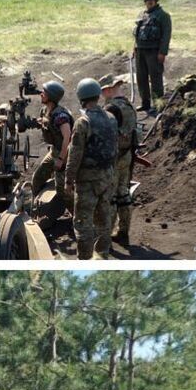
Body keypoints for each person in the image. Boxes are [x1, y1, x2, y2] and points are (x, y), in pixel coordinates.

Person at [66, 77, 118, 259]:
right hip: (107, 176)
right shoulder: (111, 118)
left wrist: (68, 179)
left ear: (81, 98)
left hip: (87, 180)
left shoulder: (83, 121)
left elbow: (75, 154)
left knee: (83, 222)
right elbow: (114, 148)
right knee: (104, 219)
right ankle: (102, 254)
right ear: (97, 95)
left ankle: (85, 258)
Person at [99, 74, 139, 247]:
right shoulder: (129, 106)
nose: (101, 94)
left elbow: (104, 135)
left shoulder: (111, 108)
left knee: (111, 197)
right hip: (127, 155)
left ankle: (105, 235)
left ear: (108, 89)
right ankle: (124, 232)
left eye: (102, 91)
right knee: (124, 193)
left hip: (113, 157)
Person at [30, 80, 74, 201]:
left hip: (64, 154)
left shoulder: (61, 116)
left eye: (44, 92)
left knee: (62, 190)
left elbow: (68, 137)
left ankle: (76, 215)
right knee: (37, 178)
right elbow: (47, 124)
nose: (41, 94)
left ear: (51, 96)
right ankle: (37, 208)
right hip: (54, 152)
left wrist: (61, 159)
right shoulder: (44, 111)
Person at [133, 0, 169, 110]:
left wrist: (162, 52)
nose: (149, 3)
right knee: (141, 78)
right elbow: (138, 33)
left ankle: (158, 105)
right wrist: (135, 48)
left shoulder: (163, 16)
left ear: (156, 1)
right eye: (147, 1)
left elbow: (166, 35)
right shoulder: (142, 15)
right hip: (140, 50)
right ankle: (145, 103)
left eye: (151, 1)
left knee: (155, 78)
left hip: (154, 51)